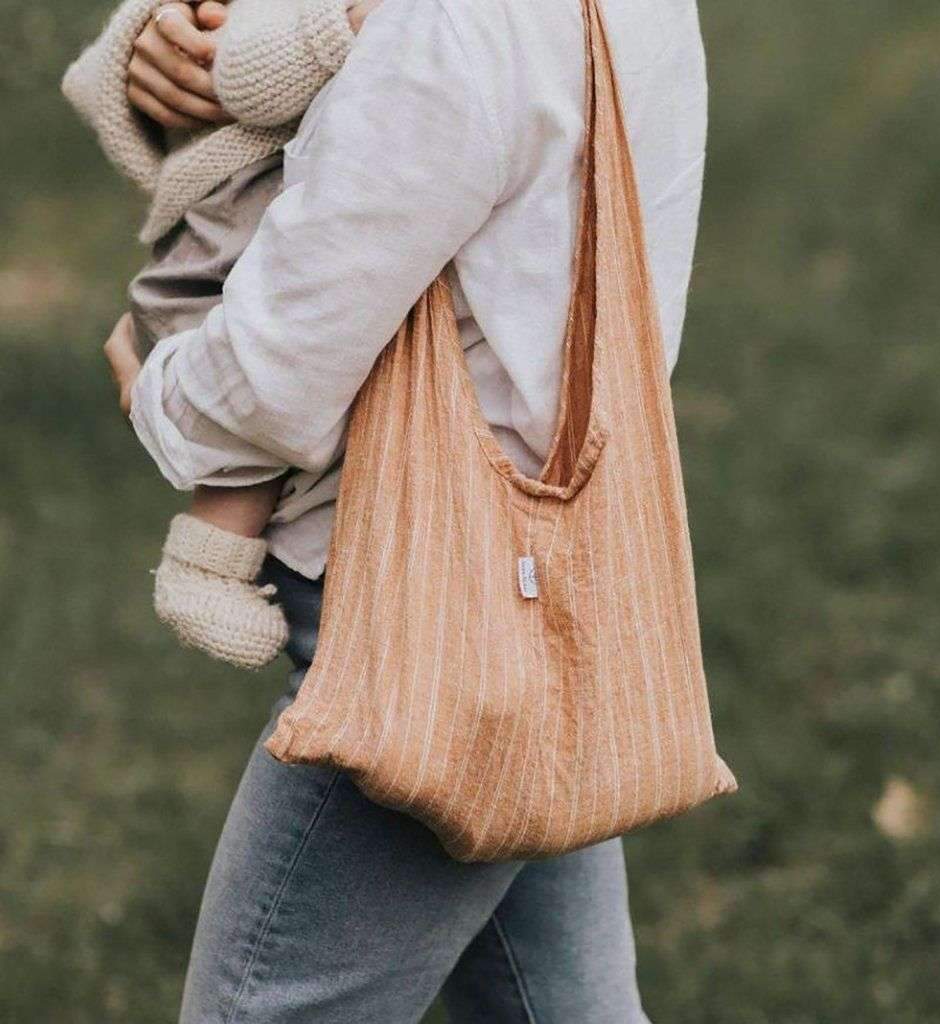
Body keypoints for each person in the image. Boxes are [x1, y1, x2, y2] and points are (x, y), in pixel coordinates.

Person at [103, 0, 711, 1018]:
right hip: (556, 587)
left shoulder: (456, 25)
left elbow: (273, 372)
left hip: (422, 618)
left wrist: (153, 387)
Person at [64, 0, 382, 669]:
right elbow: (238, 70)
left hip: (270, 209)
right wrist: (352, 24)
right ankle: (203, 565)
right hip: (229, 221)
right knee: (257, 392)